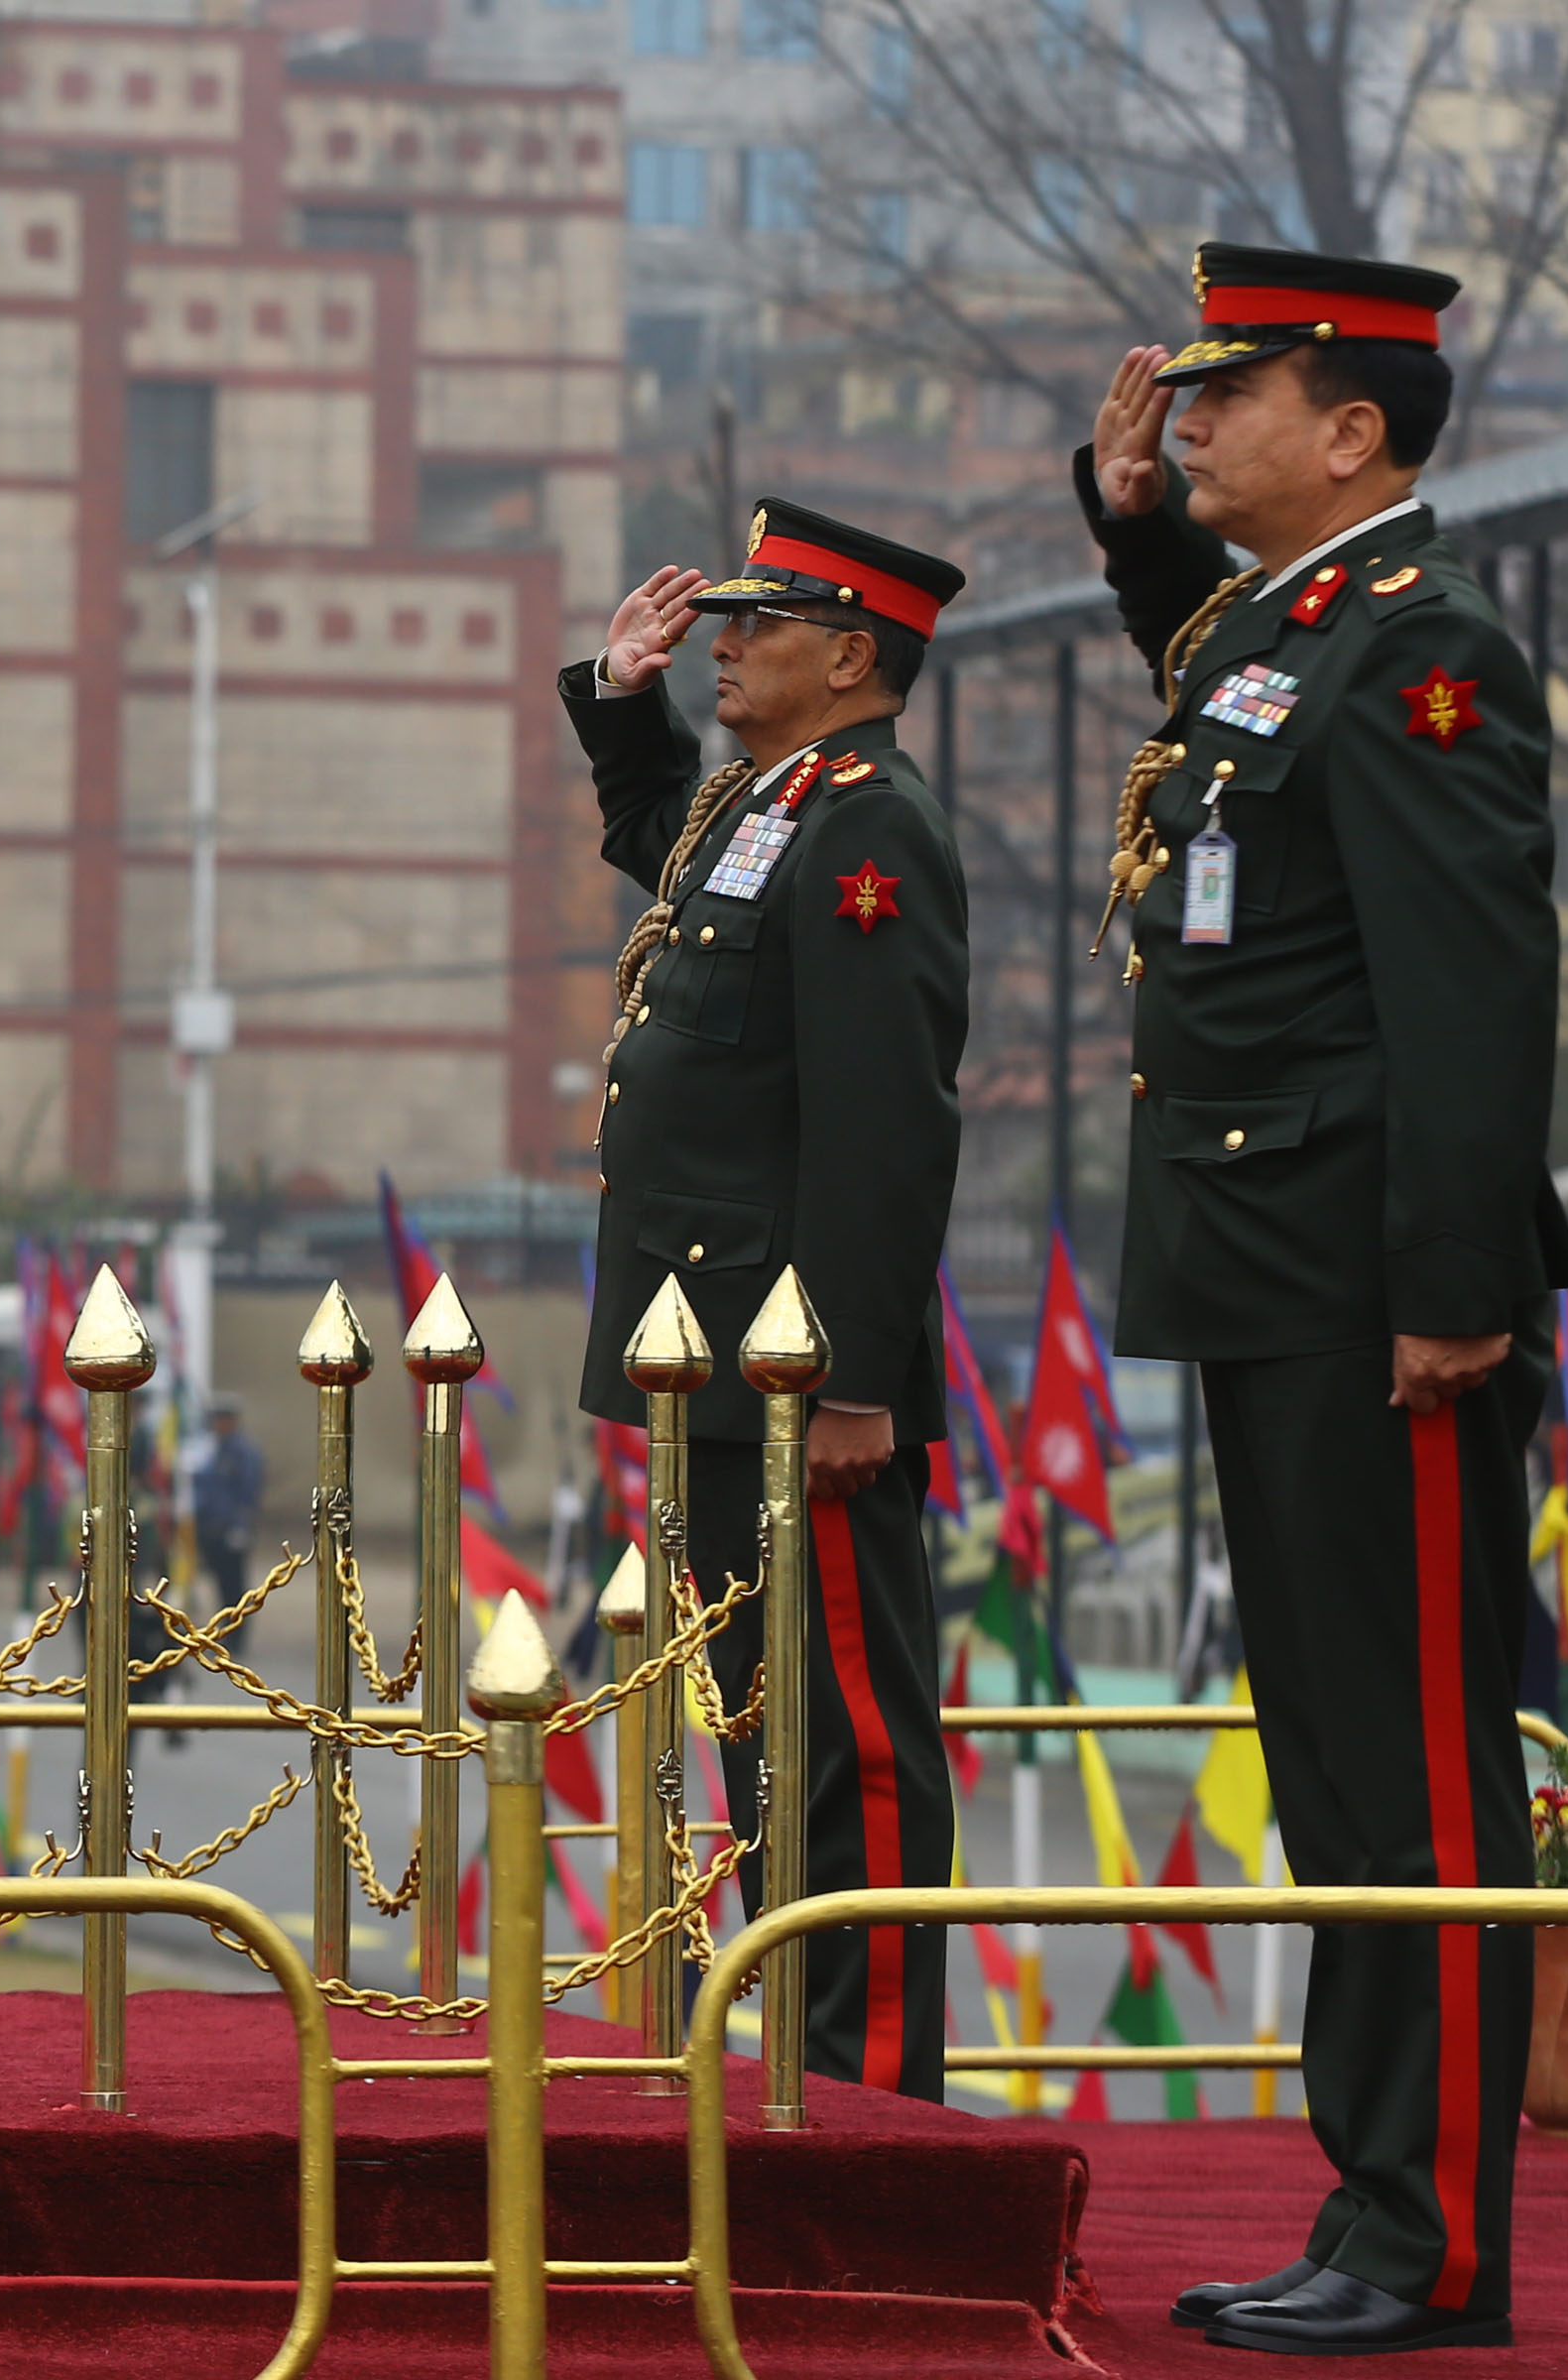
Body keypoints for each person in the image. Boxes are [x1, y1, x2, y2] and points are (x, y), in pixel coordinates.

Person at [1079, 245, 1568, 2355]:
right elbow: (1229, 747)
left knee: (1418, 1781)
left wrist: (1456, 1288)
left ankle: (1433, 2246)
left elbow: (1472, 990)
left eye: (1234, 397)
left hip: (1384, 1291)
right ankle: (1370, 2203)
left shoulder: (1424, 647)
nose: (1190, 423)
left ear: (1354, 430)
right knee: (1333, 1770)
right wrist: (1130, 538)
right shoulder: (1297, 636)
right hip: (1273, 1271)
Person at [566, 500, 970, 2102]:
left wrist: (852, 1377)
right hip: (720, 1367)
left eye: (761, 628)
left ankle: (865, 2103)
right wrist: (619, 699)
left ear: (851, 658)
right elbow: (664, 840)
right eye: (722, 624)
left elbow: (885, 1123)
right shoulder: (771, 799)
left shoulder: (868, 825)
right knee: (764, 1742)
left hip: (801, 1379)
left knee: (841, 1753)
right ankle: (799, 2083)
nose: (724, 645)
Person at [189, 1395, 267, 1612]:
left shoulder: (243, 1452)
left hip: (230, 1527)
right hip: (211, 1527)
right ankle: (227, 1623)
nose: (218, 1425)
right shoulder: (211, 1448)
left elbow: (249, 1492)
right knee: (220, 1581)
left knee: (234, 1583)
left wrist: (241, 1527)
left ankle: (236, 1630)